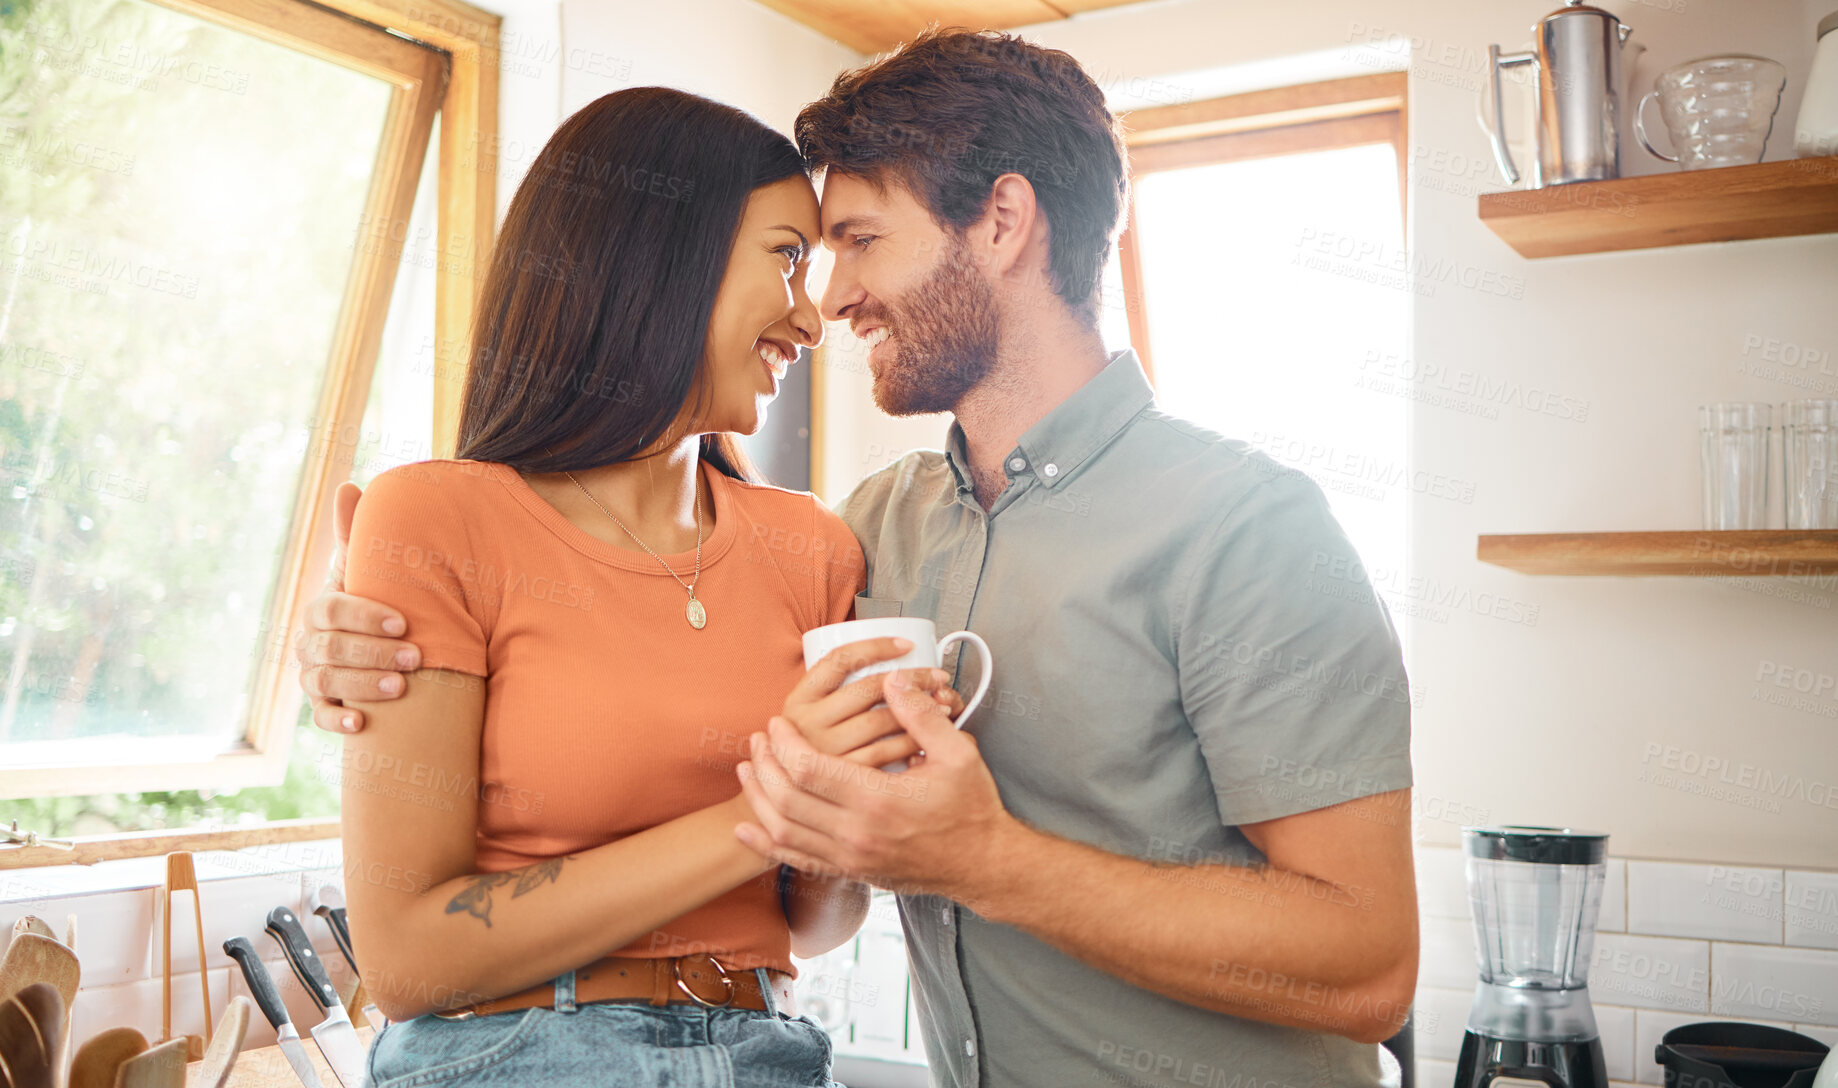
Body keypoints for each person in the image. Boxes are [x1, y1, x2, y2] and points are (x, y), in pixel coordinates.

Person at [302, 30, 1420, 1088]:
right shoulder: (871, 531)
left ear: (1000, 223)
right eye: (802, 254)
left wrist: (986, 860)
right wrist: (356, 644)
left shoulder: (1245, 526)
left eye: (856, 242)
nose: (827, 302)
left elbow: (1369, 963)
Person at [328, 85, 963, 1088]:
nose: (810, 315)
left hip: (769, 1045)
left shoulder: (812, 546)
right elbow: (409, 960)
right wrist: (773, 797)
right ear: (657, 254)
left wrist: (842, 809)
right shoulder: (435, 518)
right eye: (787, 257)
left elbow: (815, 918)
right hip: (520, 1051)